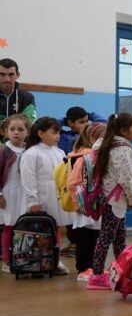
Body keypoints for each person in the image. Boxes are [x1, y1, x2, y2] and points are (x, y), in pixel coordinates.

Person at [86, 113, 132, 290]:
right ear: (124, 130)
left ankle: (120, 270)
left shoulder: (106, 142)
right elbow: (125, 177)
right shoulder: (122, 147)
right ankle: (96, 276)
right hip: (115, 199)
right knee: (106, 237)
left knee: (118, 238)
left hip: (111, 198)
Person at [20, 116, 71, 275]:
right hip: (41, 196)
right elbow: (28, 179)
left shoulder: (60, 151)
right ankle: (38, 262)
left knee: (54, 227)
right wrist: (32, 200)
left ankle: (54, 260)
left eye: (59, 132)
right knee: (40, 231)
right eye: (54, 132)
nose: (58, 136)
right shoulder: (31, 153)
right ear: (41, 133)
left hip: (56, 195)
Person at [66, 122, 106, 281]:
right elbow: (72, 183)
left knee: (95, 237)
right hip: (85, 206)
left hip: (97, 205)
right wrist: (79, 203)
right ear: (93, 138)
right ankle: (83, 268)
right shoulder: (84, 158)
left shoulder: (100, 155)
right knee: (84, 238)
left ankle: (93, 267)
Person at [0, 114, 29, 273]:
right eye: (12, 129)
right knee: (9, 226)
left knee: (23, 226)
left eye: (20, 129)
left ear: (28, 132)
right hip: (9, 193)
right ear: (6, 132)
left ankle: (22, 258)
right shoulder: (4, 151)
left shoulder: (29, 150)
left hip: (25, 193)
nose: (16, 132)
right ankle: (6, 260)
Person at [0, 58, 36, 124]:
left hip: (18, 134)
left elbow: (28, 124)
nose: (7, 79)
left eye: (11, 75)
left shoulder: (27, 97)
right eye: (2, 74)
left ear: (18, 75)